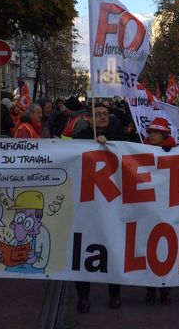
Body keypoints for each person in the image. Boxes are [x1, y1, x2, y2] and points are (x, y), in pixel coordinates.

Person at [73, 103, 124, 312]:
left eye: (105, 114)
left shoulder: (120, 138)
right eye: (98, 115)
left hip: (113, 205)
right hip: (87, 206)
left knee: (112, 250)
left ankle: (115, 295)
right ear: (90, 119)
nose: (102, 117)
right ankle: (83, 297)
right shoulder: (79, 139)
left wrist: (108, 144)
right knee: (82, 251)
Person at [142, 117, 176, 305]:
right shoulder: (141, 148)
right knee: (148, 249)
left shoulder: (176, 151)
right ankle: (150, 290)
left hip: (168, 206)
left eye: (156, 132)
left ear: (164, 134)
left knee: (166, 250)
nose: (152, 135)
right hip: (148, 207)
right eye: (150, 132)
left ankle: (165, 290)